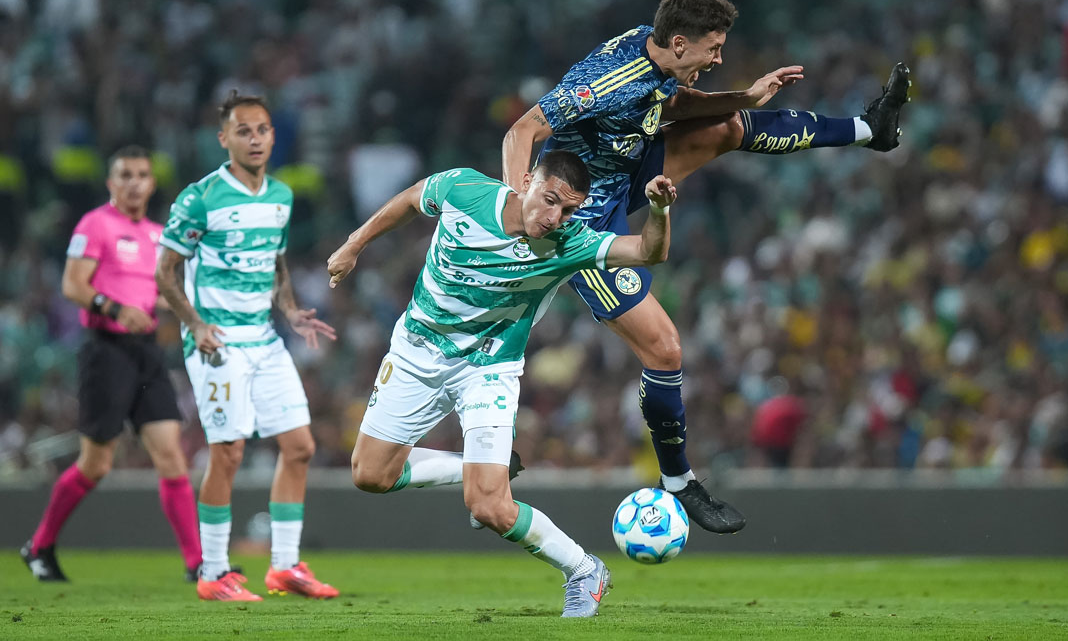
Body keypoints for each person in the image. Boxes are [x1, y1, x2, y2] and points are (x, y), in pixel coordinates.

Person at [502, 0, 912, 534]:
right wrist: (514, 205)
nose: (718, 59)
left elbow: (673, 102)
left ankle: (871, 129)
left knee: (728, 126)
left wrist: (743, 96)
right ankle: (678, 483)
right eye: (712, 50)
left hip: (626, 171)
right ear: (677, 42)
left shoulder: (655, 56)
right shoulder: (605, 80)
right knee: (665, 348)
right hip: (580, 223)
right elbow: (524, 129)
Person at [326, 151, 677, 617]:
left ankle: (583, 569)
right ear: (527, 181)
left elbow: (649, 252)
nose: (555, 217)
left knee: (488, 505)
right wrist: (355, 243)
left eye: (569, 209)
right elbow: (412, 199)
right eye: (550, 200)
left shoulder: (570, 242)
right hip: (415, 351)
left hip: (487, 371)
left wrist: (658, 210)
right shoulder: (463, 190)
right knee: (370, 475)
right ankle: (481, 465)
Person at [156, 91, 339, 602]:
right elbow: (165, 271)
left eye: (261, 130)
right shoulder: (200, 197)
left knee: (300, 447)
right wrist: (194, 324)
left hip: (263, 338)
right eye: (243, 131)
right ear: (225, 139)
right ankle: (213, 572)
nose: (254, 138)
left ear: (273, 135)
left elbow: (276, 264)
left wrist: (290, 309)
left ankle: (284, 567)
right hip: (217, 342)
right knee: (229, 452)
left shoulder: (280, 196)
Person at [20, 146, 202, 582]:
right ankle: (40, 545)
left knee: (172, 458)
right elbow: (72, 284)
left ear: (152, 183)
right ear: (111, 183)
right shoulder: (95, 224)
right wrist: (116, 309)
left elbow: (156, 296)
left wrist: (189, 309)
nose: (134, 182)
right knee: (96, 464)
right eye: (125, 174)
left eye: (142, 174)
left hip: (146, 353)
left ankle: (199, 564)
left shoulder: (159, 234)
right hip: (106, 349)